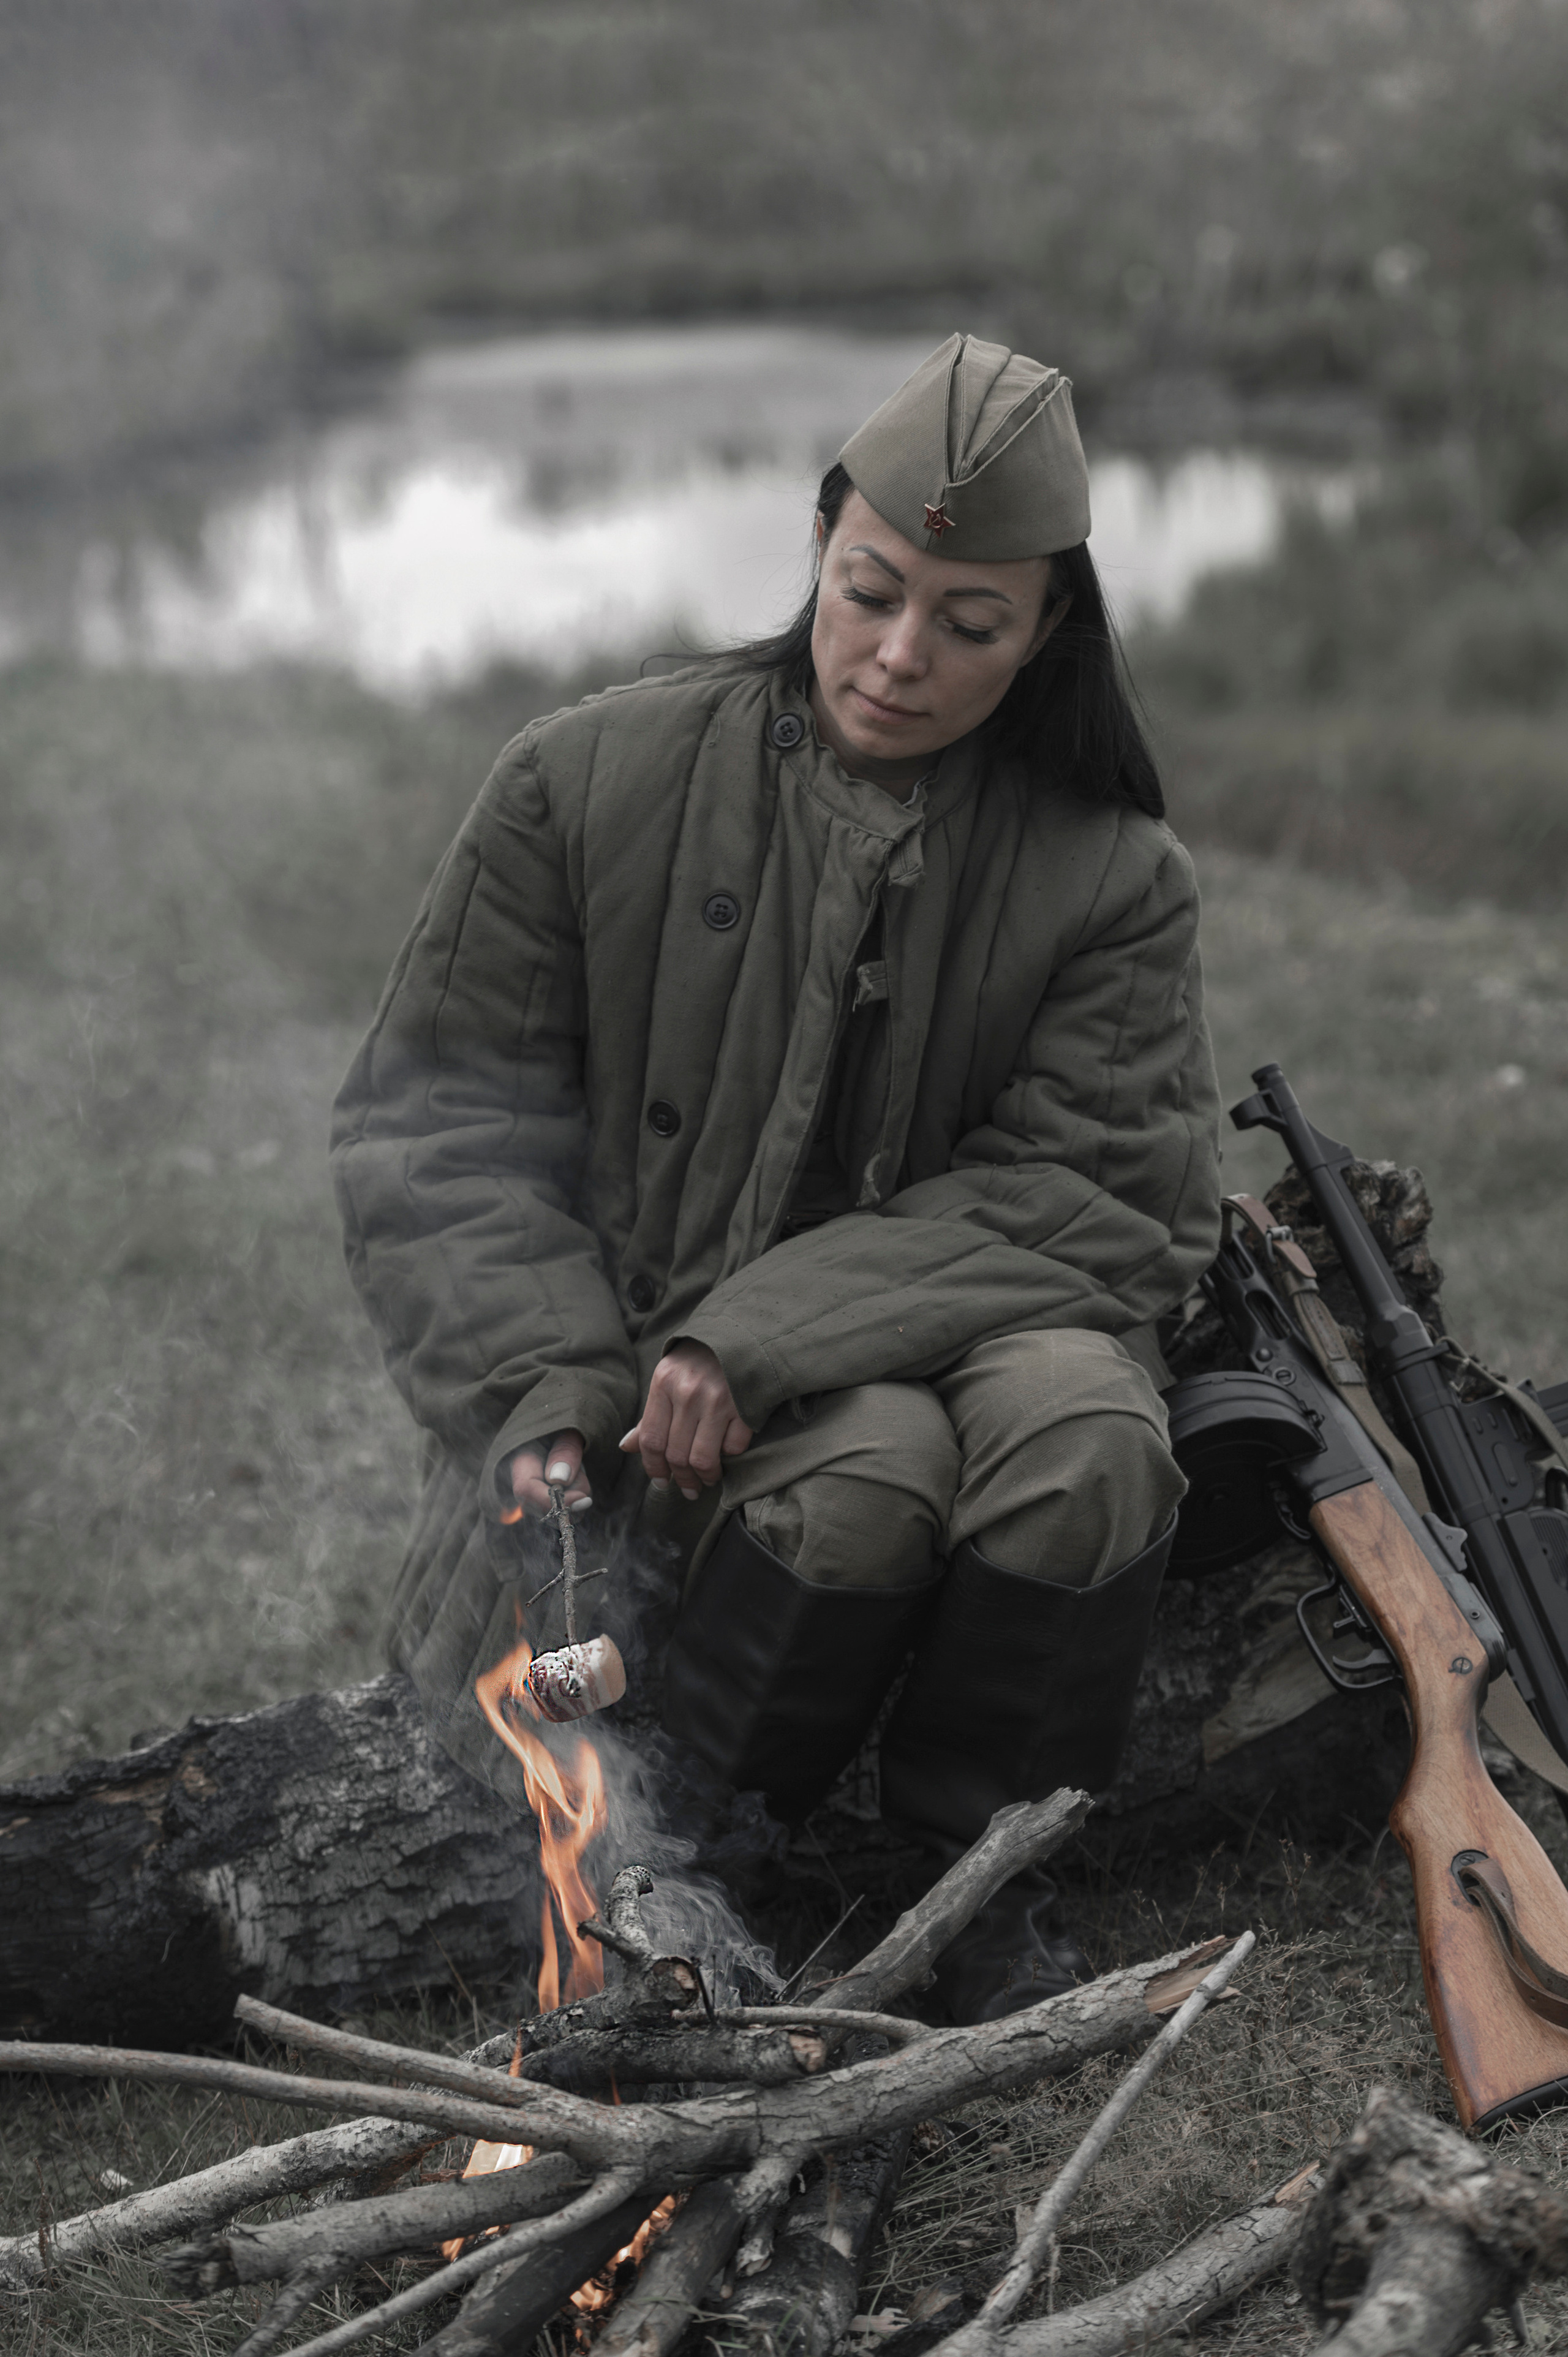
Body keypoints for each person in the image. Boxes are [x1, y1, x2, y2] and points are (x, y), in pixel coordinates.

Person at [331, 334, 1223, 2022]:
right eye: (873, 589)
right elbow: (431, 1130)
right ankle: (683, 1867)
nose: (900, 657)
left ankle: (978, 1890)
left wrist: (754, 1337)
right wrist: (552, 1384)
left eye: (971, 626)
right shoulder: (581, 782)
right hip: (646, 1410)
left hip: (954, 1327)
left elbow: (1102, 1194)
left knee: (1094, 1446)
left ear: (1046, 635)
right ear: (819, 536)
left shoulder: (1111, 874)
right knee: (867, 1476)